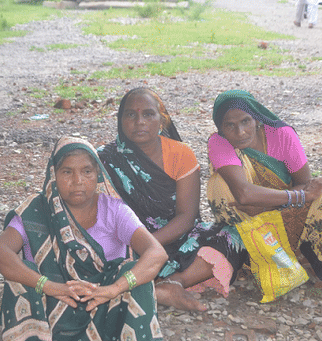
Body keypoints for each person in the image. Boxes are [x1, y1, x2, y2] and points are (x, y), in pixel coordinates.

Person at [0, 136, 168, 341]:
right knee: (19, 277)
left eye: (86, 171)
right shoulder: (37, 211)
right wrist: (48, 285)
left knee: (135, 276)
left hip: (103, 310)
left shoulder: (114, 210)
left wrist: (113, 289)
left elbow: (156, 253)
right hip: (52, 312)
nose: (78, 181)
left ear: (98, 174)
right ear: (54, 174)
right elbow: (0, 253)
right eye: (67, 172)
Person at [99, 88, 248, 313]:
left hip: (175, 237)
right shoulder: (104, 158)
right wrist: (137, 246)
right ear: (120, 120)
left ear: (162, 120)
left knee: (233, 237)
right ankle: (149, 283)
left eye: (148, 114)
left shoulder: (180, 153)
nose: (139, 122)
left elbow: (186, 217)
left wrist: (150, 246)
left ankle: (173, 283)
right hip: (129, 241)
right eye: (130, 115)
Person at [206, 90, 322, 298]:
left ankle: (305, 256)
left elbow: (305, 184)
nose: (240, 132)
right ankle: (253, 257)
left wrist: (268, 204)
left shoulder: (281, 134)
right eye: (230, 125)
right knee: (221, 185)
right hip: (249, 222)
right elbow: (243, 194)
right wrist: (299, 197)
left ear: (257, 118)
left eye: (245, 121)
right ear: (221, 128)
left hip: (282, 214)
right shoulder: (218, 142)